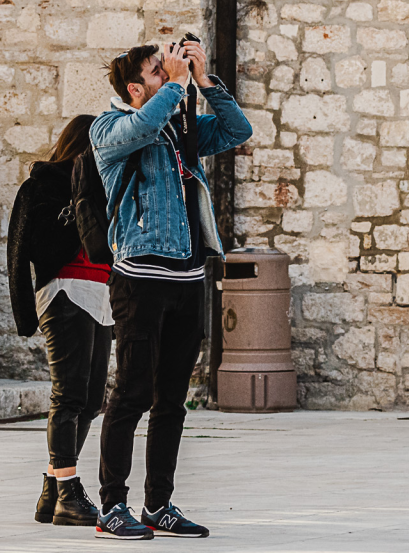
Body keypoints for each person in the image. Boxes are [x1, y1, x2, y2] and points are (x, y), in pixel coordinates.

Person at [89, 39, 252, 540]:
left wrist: (204, 81)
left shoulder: (182, 128)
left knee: (172, 400)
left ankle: (158, 504)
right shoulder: (109, 127)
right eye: (159, 70)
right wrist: (178, 86)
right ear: (137, 87)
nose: (171, 71)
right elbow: (140, 127)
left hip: (187, 276)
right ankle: (111, 506)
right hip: (139, 277)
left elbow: (236, 130)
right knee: (131, 394)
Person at [7, 115, 112, 527]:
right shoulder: (47, 182)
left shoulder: (104, 183)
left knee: (91, 400)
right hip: (66, 291)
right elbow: (26, 248)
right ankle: (68, 492)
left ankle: (53, 490)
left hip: (101, 295)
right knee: (68, 396)